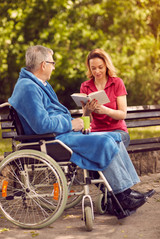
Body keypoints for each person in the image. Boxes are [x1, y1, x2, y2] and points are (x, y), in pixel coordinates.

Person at [8, 45, 154, 215]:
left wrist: (73, 123)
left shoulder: (36, 84)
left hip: (60, 134)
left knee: (113, 137)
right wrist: (71, 124)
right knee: (106, 140)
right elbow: (42, 125)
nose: (53, 67)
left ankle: (124, 193)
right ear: (43, 65)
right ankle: (121, 197)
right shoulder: (28, 87)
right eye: (52, 63)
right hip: (51, 139)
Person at [80, 49, 130, 148]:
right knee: (100, 144)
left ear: (106, 66)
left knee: (107, 144)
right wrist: (87, 111)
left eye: (100, 67)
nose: (97, 71)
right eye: (93, 68)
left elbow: (122, 114)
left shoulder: (117, 83)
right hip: (97, 133)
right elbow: (86, 119)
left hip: (118, 132)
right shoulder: (85, 86)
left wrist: (105, 110)